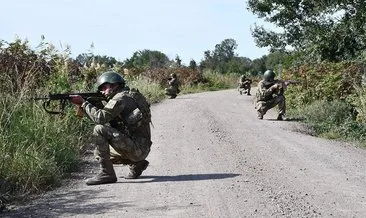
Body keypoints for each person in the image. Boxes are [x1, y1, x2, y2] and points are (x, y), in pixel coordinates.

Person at [70, 71, 152, 185]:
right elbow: (109, 119)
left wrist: (83, 103)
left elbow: (100, 118)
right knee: (98, 153)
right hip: (141, 148)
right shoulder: (130, 95)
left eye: (104, 87)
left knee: (99, 129)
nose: (102, 92)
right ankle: (138, 164)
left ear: (114, 85)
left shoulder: (119, 99)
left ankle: (107, 174)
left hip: (137, 149)